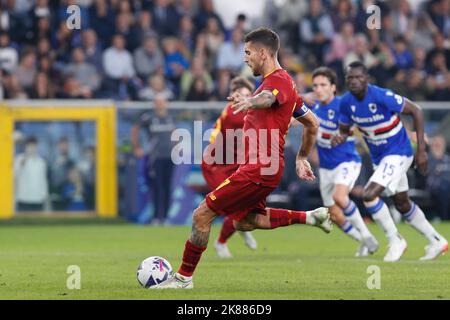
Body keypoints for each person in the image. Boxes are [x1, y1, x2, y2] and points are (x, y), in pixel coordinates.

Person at [156, 27, 332, 289]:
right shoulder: (287, 86)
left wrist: (251, 101)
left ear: (263, 52)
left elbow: (266, 98)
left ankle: (183, 278)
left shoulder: (277, 83)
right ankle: (311, 217)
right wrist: (301, 157)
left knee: (201, 214)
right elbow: (312, 123)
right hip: (266, 169)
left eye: (248, 52)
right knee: (246, 221)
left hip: (259, 169)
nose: (246, 58)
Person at [332, 61, 448, 262]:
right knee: (402, 203)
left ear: (367, 78)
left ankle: (395, 240)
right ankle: (437, 240)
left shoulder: (381, 96)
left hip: (399, 152)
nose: (354, 81)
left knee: (369, 194)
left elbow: (417, 111)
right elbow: (344, 129)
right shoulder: (345, 102)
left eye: (358, 77)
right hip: (380, 158)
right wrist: (340, 137)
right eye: (350, 77)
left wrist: (421, 150)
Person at [304, 67, 379, 257]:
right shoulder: (314, 108)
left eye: (323, 85)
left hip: (346, 162)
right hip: (326, 169)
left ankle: (367, 235)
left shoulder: (342, 106)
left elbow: (361, 124)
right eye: (315, 86)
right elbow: (298, 122)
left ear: (333, 87)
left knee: (340, 197)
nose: (319, 89)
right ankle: (364, 241)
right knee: (335, 215)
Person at [202, 76, 258, 258]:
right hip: (216, 165)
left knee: (244, 205)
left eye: (248, 95)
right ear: (232, 97)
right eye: (240, 95)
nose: (244, 98)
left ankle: (227, 238)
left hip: (235, 164)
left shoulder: (249, 113)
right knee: (233, 205)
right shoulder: (232, 113)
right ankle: (222, 242)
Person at [131, 94, 176, 225]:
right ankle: (156, 217)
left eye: (162, 102)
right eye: (158, 102)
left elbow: (176, 132)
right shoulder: (149, 118)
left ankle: (166, 217)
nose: (160, 104)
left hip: (170, 156)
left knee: (168, 187)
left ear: (166, 103)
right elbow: (135, 130)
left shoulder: (171, 117)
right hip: (155, 157)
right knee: (157, 186)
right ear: (155, 104)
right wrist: (137, 147)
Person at [14, 136, 49, 211]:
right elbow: (14, 176)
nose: (32, 149)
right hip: (23, 199)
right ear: (25, 147)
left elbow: (43, 181)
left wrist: (44, 196)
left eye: (34, 146)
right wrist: (21, 164)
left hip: (38, 200)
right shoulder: (19, 159)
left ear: (37, 147)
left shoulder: (41, 162)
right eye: (30, 146)